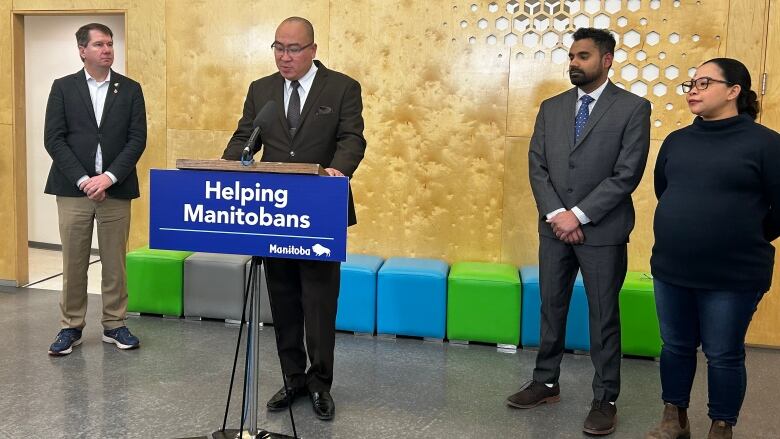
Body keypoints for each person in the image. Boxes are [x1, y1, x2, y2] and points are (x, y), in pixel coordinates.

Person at [507, 27, 651, 436]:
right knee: (550, 307)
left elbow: (627, 174)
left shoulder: (633, 108)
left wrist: (580, 215)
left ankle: (605, 398)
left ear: (606, 60)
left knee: (603, 316)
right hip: (554, 228)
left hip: (602, 232)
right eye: (571, 56)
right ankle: (545, 381)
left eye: (583, 56)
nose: (574, 63)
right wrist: (557, 213)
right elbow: (537, 165)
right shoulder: (551, 108)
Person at [221, 17, 366, 421]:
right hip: (273, 214)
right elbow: (244, 137)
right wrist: (226, 167)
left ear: (313, 50)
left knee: (318, 303)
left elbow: (352, 137)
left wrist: (339, 170)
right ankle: (293, 378)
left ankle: (320, 384)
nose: (285, 57)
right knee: (283, 302)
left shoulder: (341, 87)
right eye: (278, 48)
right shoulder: (261, 90)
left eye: (294, 49)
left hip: (319, 211)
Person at [646, 58, 780, 439]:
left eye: (704, 83)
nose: (693, 90)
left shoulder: (767, 144)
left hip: (734, 274)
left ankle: (721, 425)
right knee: (675, 346)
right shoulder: (677, 141)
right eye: (691, 83)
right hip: (672, 268)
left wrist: (741, 236)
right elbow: (664, 191)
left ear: (734, 91)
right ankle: (674, 417)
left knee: (723, 353)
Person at [44, 23, 147, 356]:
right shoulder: (63, 88)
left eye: (110, 43)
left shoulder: (130, 89)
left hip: (115, 190)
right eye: (100, 44)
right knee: (74, 260)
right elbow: (54, 139)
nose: (107, 49)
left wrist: (109, 177)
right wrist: (84, 179)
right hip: (74, 189)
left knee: (115, 261)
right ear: (82, 50)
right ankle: (70, 327)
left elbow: (137, 140)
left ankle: (114, 323)